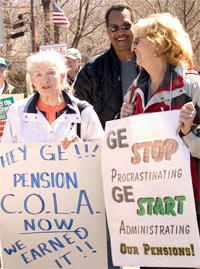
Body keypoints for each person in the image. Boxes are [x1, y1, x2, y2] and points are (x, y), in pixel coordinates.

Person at [120, 13, 200, 269]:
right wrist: (122, 121)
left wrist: (188, 132)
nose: (132, 47)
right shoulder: (134, 90)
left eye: (137, 41)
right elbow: (126, 147)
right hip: (150, 207)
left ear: (158, 42)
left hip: (190, 206)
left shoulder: (193, 88)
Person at [1, 50, 104, 147]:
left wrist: (82, 147)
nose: (45, 80)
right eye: (38, 74)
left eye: (50, 73)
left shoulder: (84, 112)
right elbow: (5, 156)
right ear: (33, 81)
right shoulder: (17, 112)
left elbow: (102, 152)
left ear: (62, 76)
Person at [74, 4, 139, 129]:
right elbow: (77, 114)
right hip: (107, 144)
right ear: (107, 30)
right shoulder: (92, 70)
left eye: (125, 26)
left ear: (134, 26)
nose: (120, 32)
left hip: (148, 142)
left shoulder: (151, 64)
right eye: (114, 28)